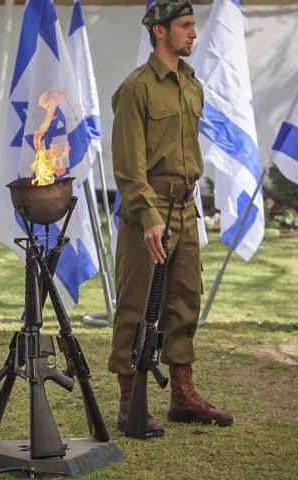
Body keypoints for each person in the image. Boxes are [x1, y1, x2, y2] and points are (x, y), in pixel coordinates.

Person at [108, 0, 233, 437]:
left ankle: (183, 395)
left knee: (184, 300)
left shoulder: (191, 84)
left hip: (187, 207)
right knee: (137, 304)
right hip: (150, 209)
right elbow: (127, 167)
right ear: (159, 31)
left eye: (193, 25)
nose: (193, 34)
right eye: (184, 26)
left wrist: (185, 212)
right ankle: (129, 402)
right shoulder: (135, 89)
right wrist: (148, 216)